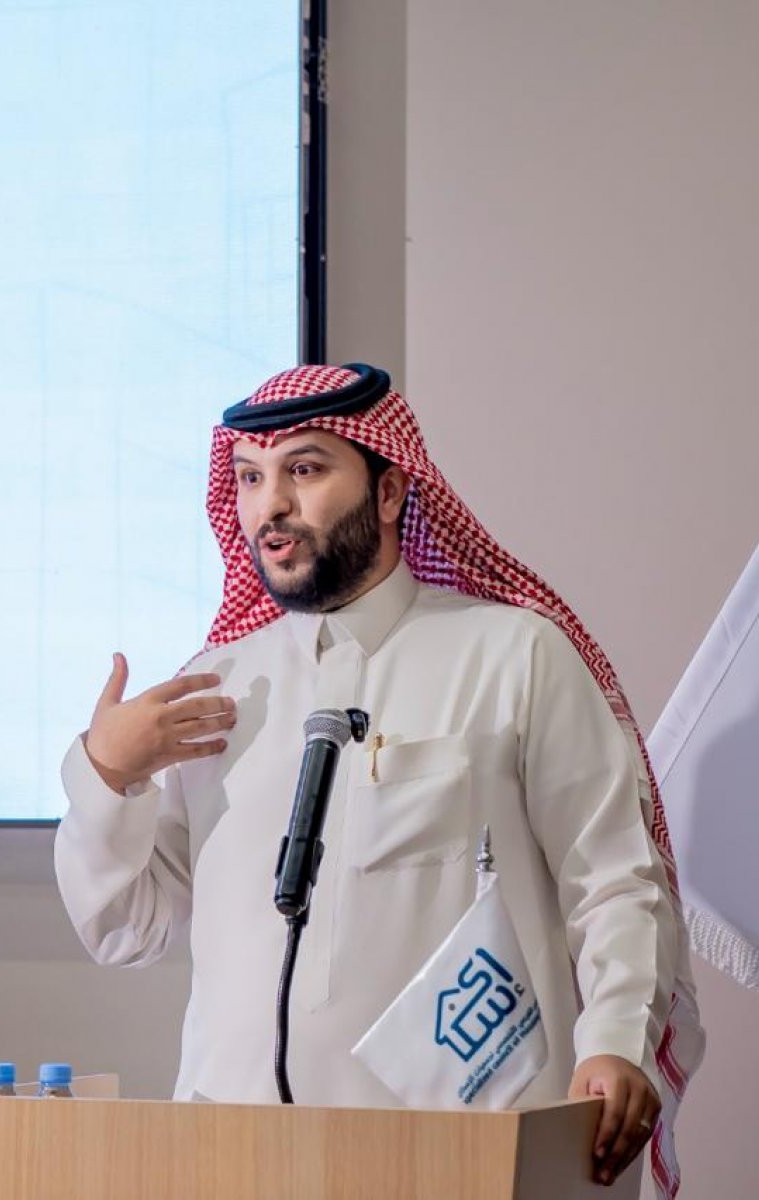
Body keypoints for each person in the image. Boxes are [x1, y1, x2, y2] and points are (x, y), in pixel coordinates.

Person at [53, 363, 704, 1193]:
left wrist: (614, 1040)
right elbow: (127, 930)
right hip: (237, 1156)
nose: (270, 506)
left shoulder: (512, 656)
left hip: (458, 1153)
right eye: (249, 478)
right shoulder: (216, 689)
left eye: (304, 469)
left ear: (391, 491)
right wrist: (109, 774)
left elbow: (612, 878)